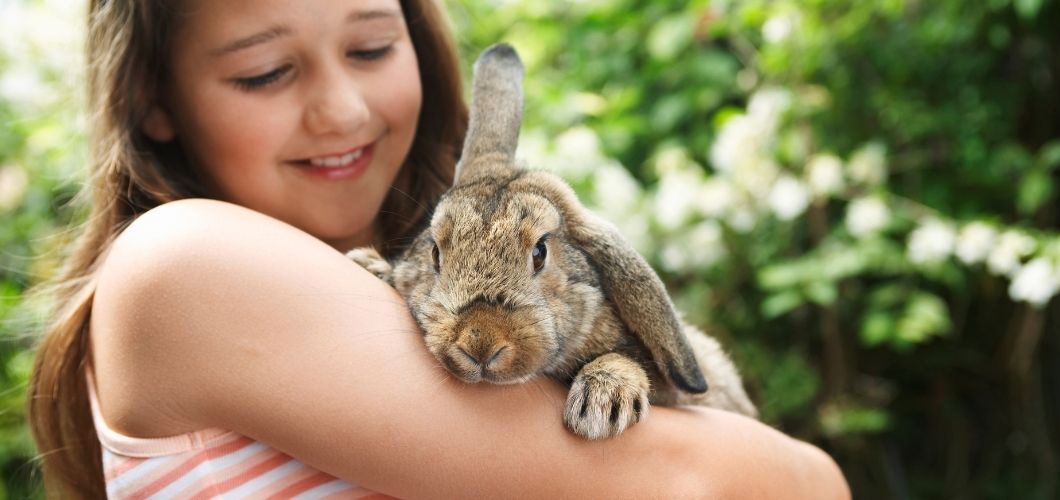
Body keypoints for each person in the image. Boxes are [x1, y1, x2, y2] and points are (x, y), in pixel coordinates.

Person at [27, 0, 850, 497]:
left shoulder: (408, 271)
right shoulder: (183, 265)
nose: (343, 111)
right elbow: (745, 485)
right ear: (151, 97)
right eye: (266, 73)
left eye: (372, 48)